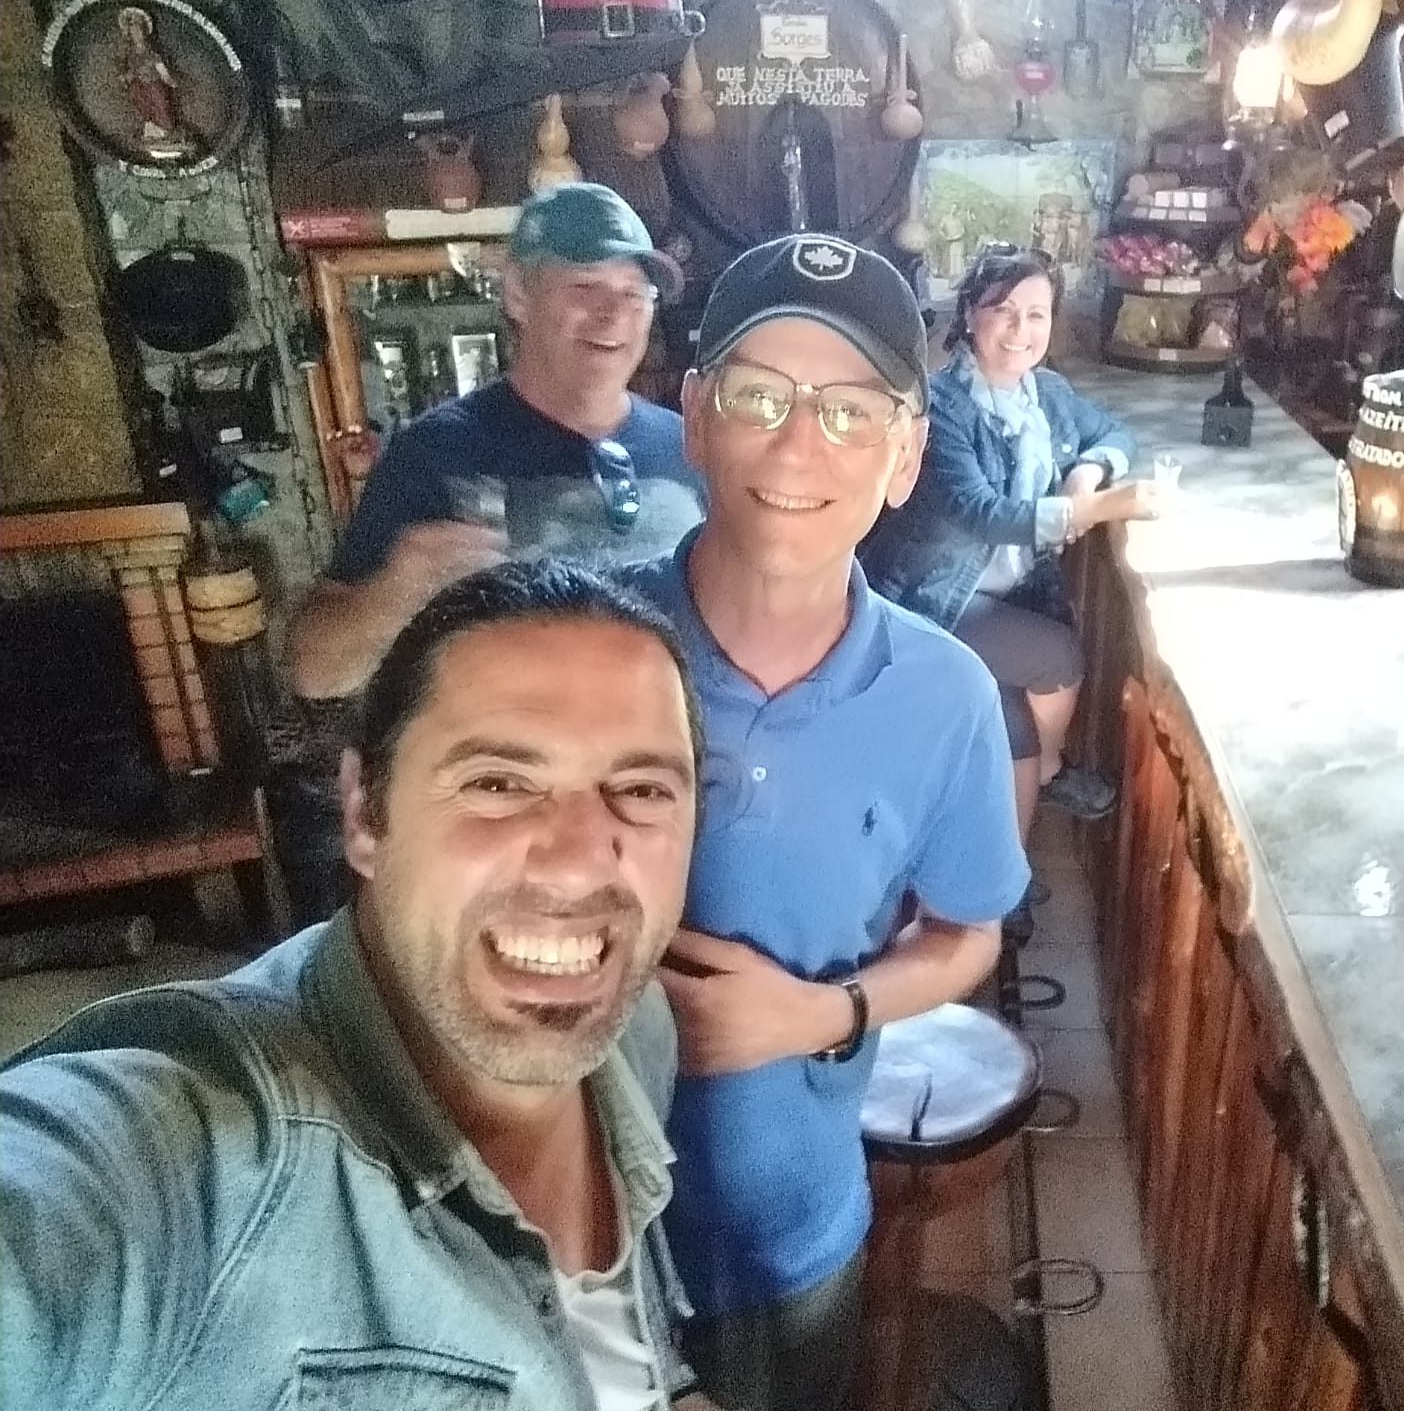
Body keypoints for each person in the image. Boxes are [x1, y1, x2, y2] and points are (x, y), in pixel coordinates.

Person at [2, 559, 719, 1410]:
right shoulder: (203, 1142)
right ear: (364, 816)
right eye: (497, 783)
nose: (573, 864)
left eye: (640, 790)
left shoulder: (636, 1031)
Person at [617, 233, 1030, 1411]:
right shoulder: (586, 648)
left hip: (799, 1226)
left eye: (851, 411)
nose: (802, 445)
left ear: (906, 454)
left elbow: (968, 936)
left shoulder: (943, 693)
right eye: (759, 396)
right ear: (694, 417)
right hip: (574, 1232)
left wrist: (820, 1012)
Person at [286, 181, 704, 702]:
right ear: (518, 294)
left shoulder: (691, 446)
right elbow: (313, 673)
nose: (614, 313)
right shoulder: (437, 452)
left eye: (634, 293)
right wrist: (394, 596)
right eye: (585, 287)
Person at [860, 243, 1161, 847]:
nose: (1020, 330)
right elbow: (983, 513)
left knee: (1011, 723)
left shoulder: (1044, 394)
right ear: (969, 315)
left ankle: (1005, 890)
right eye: (1003, 310)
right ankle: (1049, 777)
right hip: (932, 599)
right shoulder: (940, 406)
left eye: (1037, 314)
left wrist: (1088, 472)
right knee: (1060, 658)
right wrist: (1094, 510)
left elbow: (1115, 432)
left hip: (1008, 594)